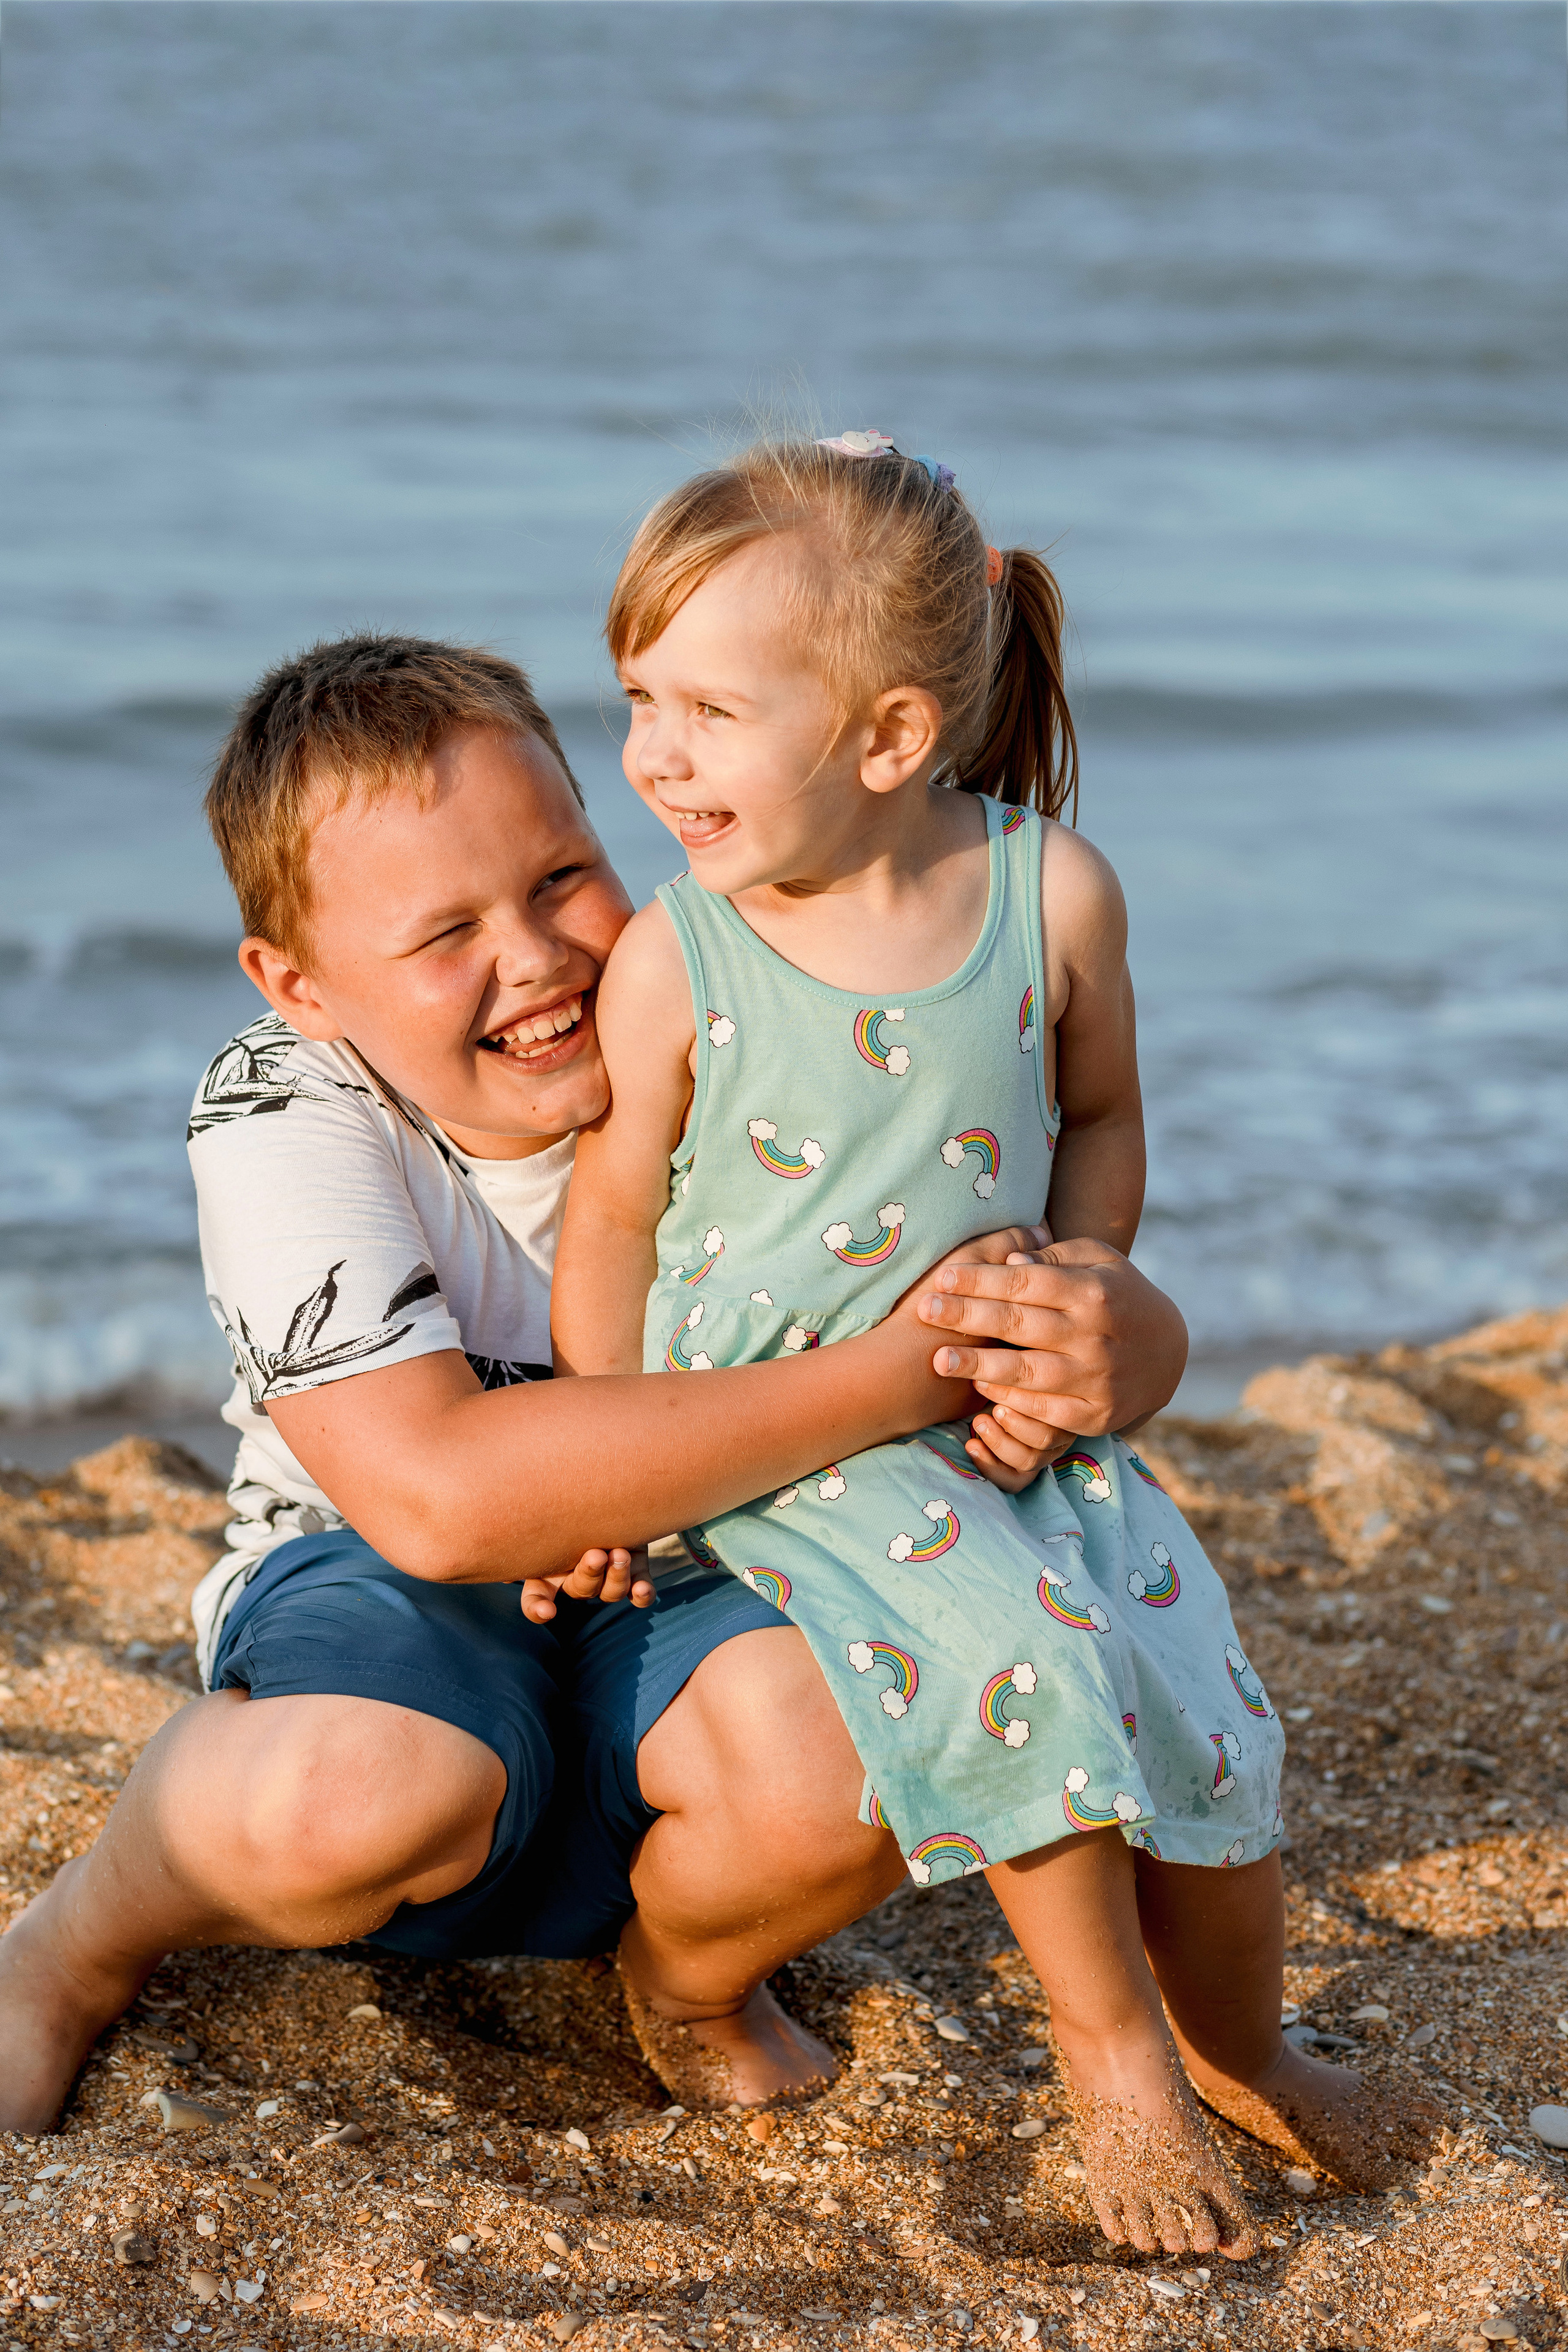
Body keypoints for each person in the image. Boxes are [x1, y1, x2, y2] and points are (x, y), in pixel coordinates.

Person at [0, 633, 1191, 2146]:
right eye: (444, 933)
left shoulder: (722, 1012)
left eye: (560, 877)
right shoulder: (282, 1101)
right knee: (343, 1797)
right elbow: (437, 1502)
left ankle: (684, 1973)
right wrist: (905, 1374)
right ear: (296, 984)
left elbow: (1031, 1267)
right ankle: (68, 1948)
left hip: (741, 1551)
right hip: (375, 1584)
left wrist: (1117, 1342)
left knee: (877, 1733)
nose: (537, 957)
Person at [550, 435, 1435, 2258]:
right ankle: (1114, 2058)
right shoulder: (682, 956)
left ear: (884, 738)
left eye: (708, 710)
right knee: (1022, 1655)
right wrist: (605, 1438)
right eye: (638, 698)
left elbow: (1098, 1117)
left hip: (1002, 1420)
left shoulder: (1054, 897)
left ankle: (1242, 2038)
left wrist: (1079, 1288)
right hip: (773, 1435)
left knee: (1194, 1680)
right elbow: (616, 1213)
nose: (653, 756)